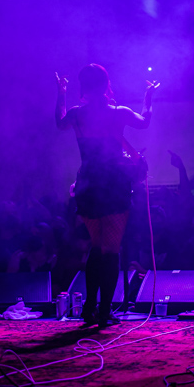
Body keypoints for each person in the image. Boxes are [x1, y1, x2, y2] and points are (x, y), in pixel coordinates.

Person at [56, 63, 159, 326]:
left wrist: (61, 92)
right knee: (110, 250)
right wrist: (148, 98)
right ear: (106, 85)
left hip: (88, 186)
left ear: (84, 87)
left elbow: (59, 122)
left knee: (96, 247)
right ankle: (104, 312)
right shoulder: (119, 113)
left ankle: (90, 310)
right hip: (113, 186)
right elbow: (145, 122)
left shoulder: (78, 115)